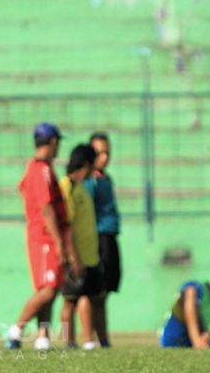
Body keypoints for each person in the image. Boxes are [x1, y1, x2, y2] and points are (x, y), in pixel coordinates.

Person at [5, 123, 83, 351]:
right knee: (48, 288)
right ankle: (16, 329)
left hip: (46, 235)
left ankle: (43, 336)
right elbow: (46, 207)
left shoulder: (42, 169)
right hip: (44, 236)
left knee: (51, 288)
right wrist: (59, 242)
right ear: (53, 142)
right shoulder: (40, 170)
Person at [58, 144, 102, 350]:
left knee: (85, 297)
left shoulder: (82, 186)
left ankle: (83, 339)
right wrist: (74, 257)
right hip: (76, 256)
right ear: (86, 163)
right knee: (72, 299)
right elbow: (67, 225)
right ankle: (75, 341)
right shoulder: (67, 187)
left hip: (88, 254)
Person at [82, 132, 120, 347]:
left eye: (107, 152)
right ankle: (88, 338)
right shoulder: (90, 182)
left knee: (103, 292)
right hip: (95, 238)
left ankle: (104, 339)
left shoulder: (106, 179)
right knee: (89, 290)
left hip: (109, 237)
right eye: (99, 153)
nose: (104, 157)